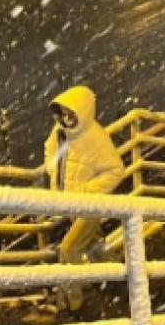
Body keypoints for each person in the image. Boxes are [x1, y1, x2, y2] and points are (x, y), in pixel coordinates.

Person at [44, 85, 124, 313]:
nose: (66, 120)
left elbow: (116, 170)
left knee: (69, 249)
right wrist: (54, 172)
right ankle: (119, 278)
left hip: (89, 206)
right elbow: (49, 152)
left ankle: (73, 302)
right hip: (69, 203)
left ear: (83, 112)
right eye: (63, 114)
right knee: (95, 246)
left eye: (71, 115)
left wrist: (88, 192)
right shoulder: (59, 132)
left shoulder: (97, 138)